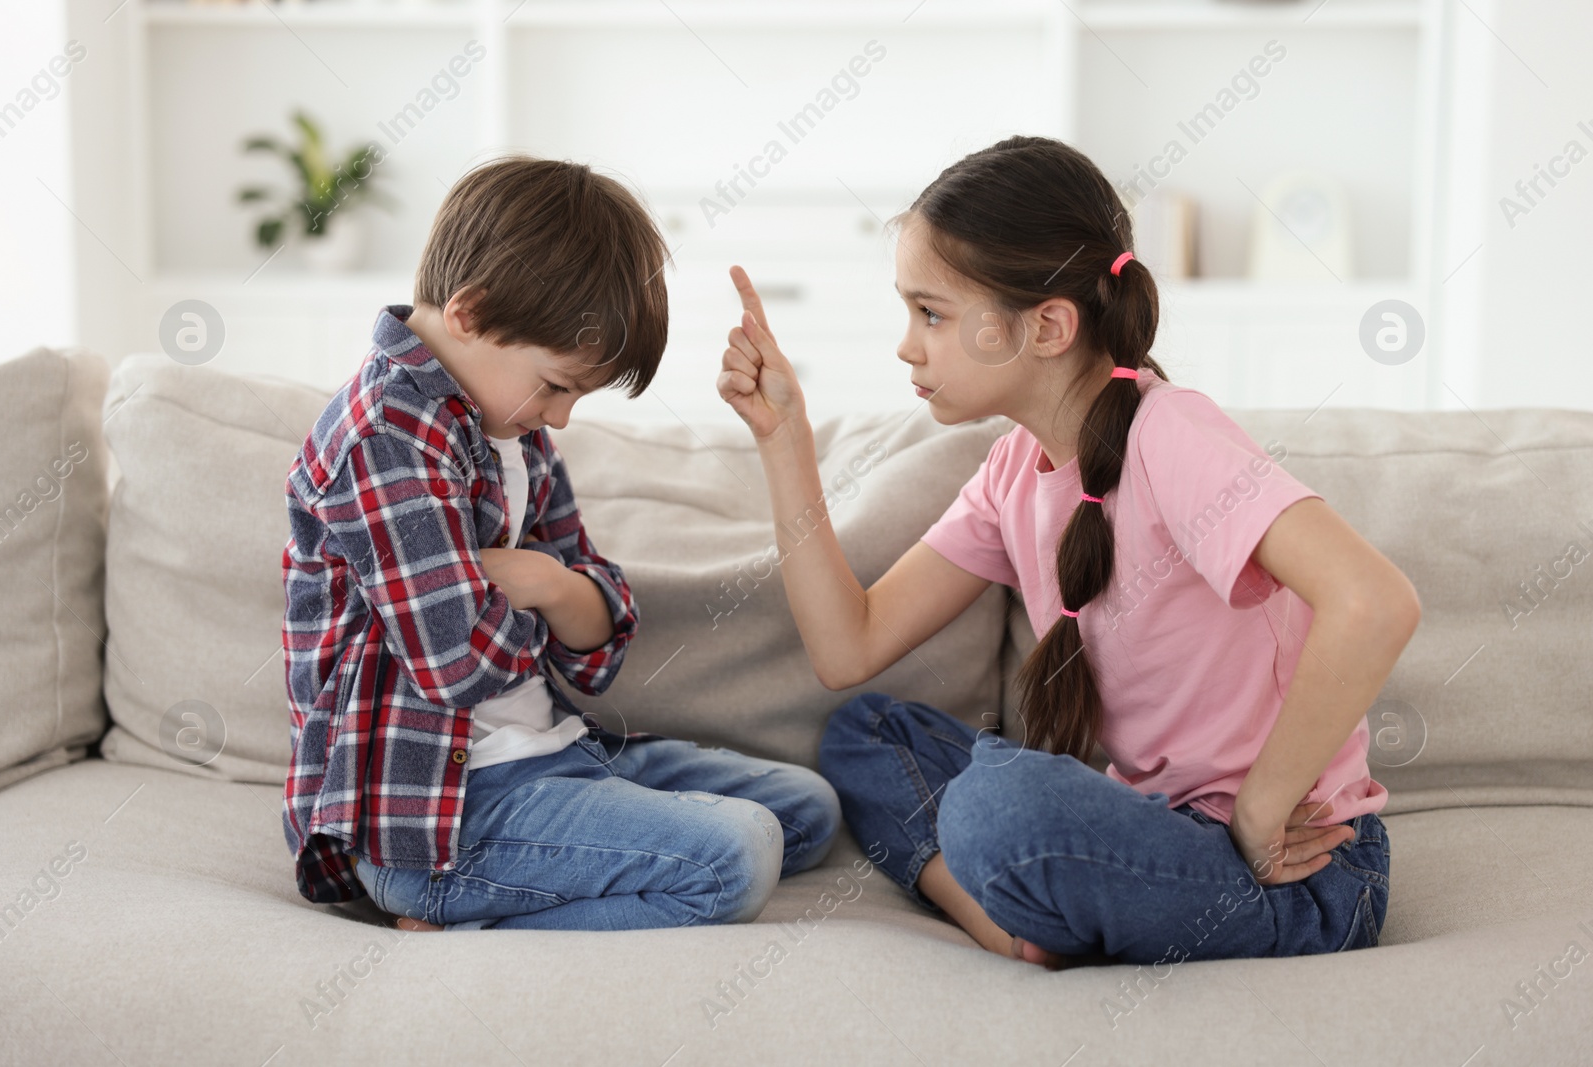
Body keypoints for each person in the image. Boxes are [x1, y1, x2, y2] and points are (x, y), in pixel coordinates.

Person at [714, 135, 1417, 969]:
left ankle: (1024, 903)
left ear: (1048, 325)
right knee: (868, 731)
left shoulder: (1172, 432)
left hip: (1294, 878)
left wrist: (1262, 809)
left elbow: (1375, 602)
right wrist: (783, 437)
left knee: (1000, 809)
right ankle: (1012, 923)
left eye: (931, 313)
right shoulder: (1012, 470)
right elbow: (847, 647)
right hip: (1146, 833)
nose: (908, 345)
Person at [282, 155, 839, 932]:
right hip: (443, 818)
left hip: (554, 750)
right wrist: (554, 594)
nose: (566, 416)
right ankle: (458, 912)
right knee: (740, 854)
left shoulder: (509, 424)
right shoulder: (385, 437)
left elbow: (598, 639)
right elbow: (457, 663)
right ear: (470, 314)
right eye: (557, 385)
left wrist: (542, 581)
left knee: (807, 809)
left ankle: (582, 845)